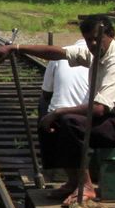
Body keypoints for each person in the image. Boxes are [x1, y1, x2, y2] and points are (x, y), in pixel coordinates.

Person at [0, 15, 115, 206]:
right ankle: (73, 181)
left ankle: (87, 187)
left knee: (69, 121)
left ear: (111, 35)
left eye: (97, 39)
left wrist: (58, 112)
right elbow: (57, 52)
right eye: (89, 39)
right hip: (109, 119)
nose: (92, 43)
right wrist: (16, 48)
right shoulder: (97, 53)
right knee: (49, 122)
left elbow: (99, 109)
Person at [36, 38, 90, 169]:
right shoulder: (104, 56)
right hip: (90, 112)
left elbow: (47, 93)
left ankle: (50, 163)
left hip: (63, 114)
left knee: (43, 102)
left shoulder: (60, 54)